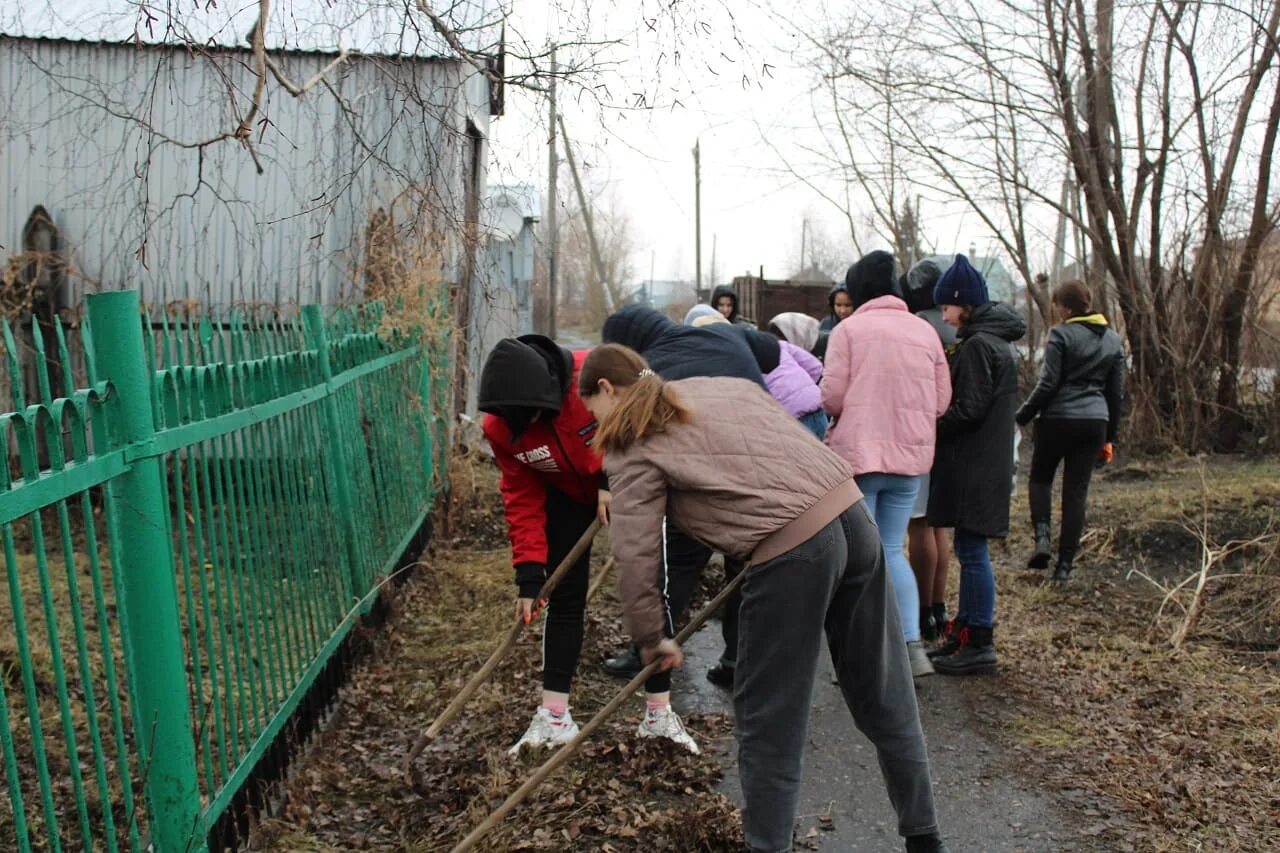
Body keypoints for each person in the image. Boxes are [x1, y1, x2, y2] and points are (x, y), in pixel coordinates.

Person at [578, 344, 948, 853]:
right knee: (884, 690)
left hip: (795, 549)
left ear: (605, 389)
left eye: (590, 411)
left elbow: (637, 552)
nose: (593, 425)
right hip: (852, 515)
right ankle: (925, 838)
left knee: (769, 715)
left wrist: (649, 637)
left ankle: (767, 846)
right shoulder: (722, 387)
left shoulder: (631, 443)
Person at [477, 334, 697, 754]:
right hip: (562, 496)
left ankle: (658, 715)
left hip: (627, 483)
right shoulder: (499, 425)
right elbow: (520, 493)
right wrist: (528, 573)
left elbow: (643, 414)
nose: (528, 426)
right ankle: (555, 717)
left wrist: (607, 478)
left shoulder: (593, 374)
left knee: (650, 586)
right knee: (563, 596)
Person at [598, 304, 764, 691]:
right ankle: (737, 660)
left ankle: (649, 651)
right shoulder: (724, 336)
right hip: (761, 471)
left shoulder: (650, 369)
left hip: (702, 478)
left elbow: (633, 438)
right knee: (742, 570)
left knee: (677, 563)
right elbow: (771, 352)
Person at [820, 251, 951, 678]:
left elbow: (831, 397)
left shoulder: (848, 330)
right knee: (893, 550)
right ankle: (912, 647)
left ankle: (857, 656)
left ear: (857, 292)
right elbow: (942, 400)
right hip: (910, 461)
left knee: (857, 556)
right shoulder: (925, 331)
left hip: (859, 460)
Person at [926, 255, 1026, 676]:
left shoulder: (979, 346)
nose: (943, 315)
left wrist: (929, 424)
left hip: (975, 465)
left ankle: (979, 639)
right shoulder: (991, 342)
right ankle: (964, 632)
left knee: (972, 550)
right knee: (970, 549)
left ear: (961, 303)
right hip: (985, 462)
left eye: (946, 307)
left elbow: (968, 408)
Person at [1015, 279, 1124, 582]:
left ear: (1064, 307)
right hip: (1094, 423)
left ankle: (1042, 541)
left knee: (1040, 477)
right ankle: (1064, 567)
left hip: (1057, 420)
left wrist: (1022, 415)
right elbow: (1116, 395)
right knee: (1076, 493)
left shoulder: (1060, 335)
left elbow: (1048, 384)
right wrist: (1109, 437)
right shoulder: (1114, 340)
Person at [901, 259, 957, 642]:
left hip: (921, 435)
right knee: (939, 526)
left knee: (918, 524)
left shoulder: (917, 329)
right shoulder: (955, 329)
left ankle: (921, 612)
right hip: (952, 439)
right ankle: (938, 608)